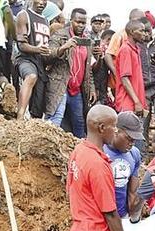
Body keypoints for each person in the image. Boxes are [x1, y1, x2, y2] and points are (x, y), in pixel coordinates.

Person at [44, 7, 95, 137]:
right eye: (78, 22)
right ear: (71, 20)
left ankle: (80, 151)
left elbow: (88, 69)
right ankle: (49, 144)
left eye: (83, 23)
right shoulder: (60, 35)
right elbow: (46, 56)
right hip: (61, 85)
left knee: (79, 122)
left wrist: (92, 88)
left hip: (76, 89)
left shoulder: (87, 41)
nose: (81, 25)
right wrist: (63, 47)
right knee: (56, 117)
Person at [11, 0, 51, 119]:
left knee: (37, 109)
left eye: (44, 0)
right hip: (25, 59)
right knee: (31, 76)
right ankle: (20, 117)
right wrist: (39, 49)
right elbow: (22, 45)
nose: (41, 3)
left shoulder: (46, 20)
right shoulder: (24, 15)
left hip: (40, 63)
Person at [103, 112, 144, 221]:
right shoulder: (100, 151)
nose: (132, 143)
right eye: (129, 138)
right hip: (101, 218)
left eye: (134, 140)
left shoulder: (134, 154)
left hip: (122, 217)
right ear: (116, 131)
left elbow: (132, 193)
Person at [115, 20, 146, 116]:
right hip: (127, 103)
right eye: (141, 31)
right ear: (132, 32)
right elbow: (125, 79)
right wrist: (136, 102)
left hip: (135, 102)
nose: (144, 34)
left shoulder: (135, 49)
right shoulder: (126, 49)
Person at [93, 29, 114, 106]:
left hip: (103, 90)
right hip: (95, 88)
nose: (109, 42)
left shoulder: (110, 54)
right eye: (108, 40)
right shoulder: (96, 51)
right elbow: (94, 69)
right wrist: (100, 57)